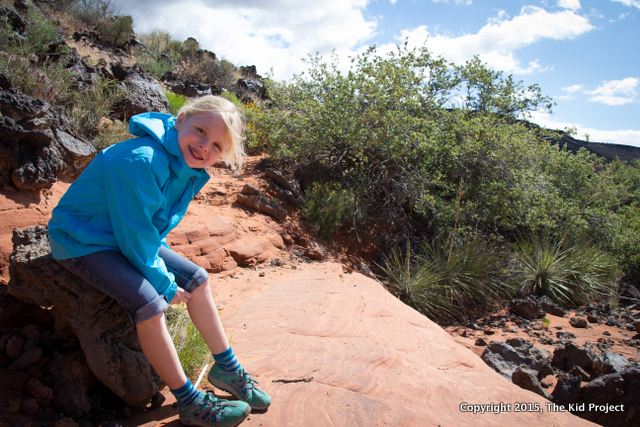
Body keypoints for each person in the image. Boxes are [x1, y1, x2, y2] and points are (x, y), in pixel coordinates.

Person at [48, 95, 270, 427]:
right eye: (199, 131)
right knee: (150, 304)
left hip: (118, 234)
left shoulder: (182, 164)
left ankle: (227, 368)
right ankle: (191, 402)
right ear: (180, 120)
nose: (204, 146)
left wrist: (165, 268)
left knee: (198, 278)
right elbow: (135, 233)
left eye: (216, 146)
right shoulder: (143, 159)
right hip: (82, 239)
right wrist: (163, 281)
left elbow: (147, 225)